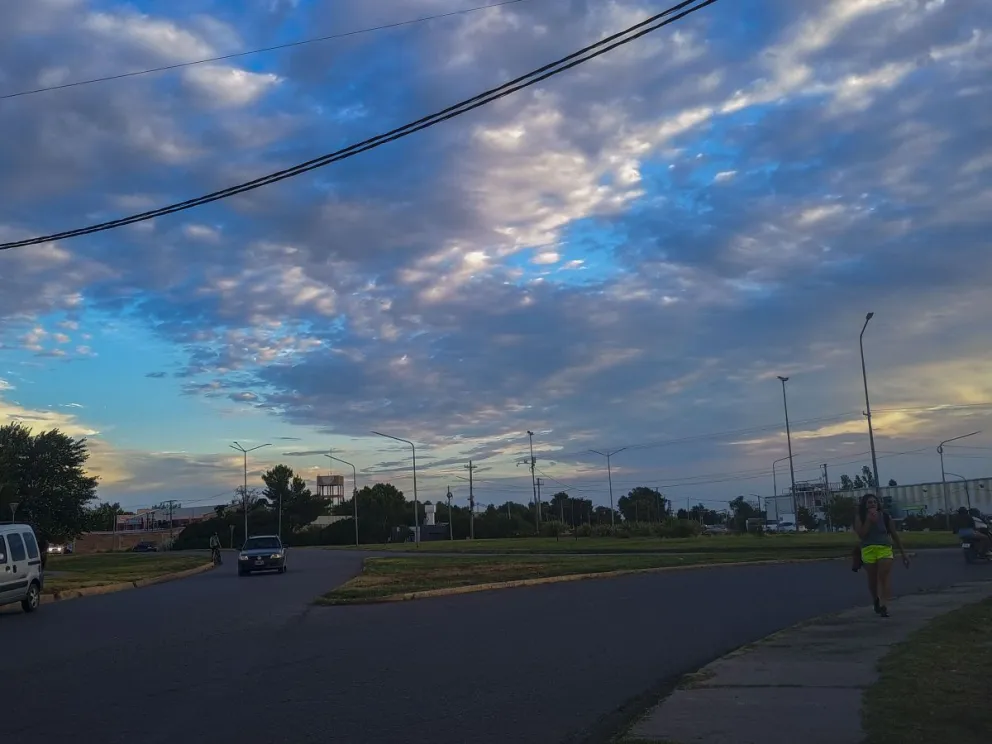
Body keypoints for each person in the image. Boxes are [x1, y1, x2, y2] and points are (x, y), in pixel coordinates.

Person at [854, 493, 909, 617]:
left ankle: (884, 604)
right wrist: (869, 520)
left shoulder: (885, 516)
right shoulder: (860, 517)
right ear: (865, 505)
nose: (872, 504)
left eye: (874, 502)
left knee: (883, 575)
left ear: (878, 504)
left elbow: (895, 535)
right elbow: (861, 535)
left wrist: (903, 554)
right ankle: (876, 600)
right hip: (868, 549)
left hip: (884, 548)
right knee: (872, 578)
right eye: (869, 502)